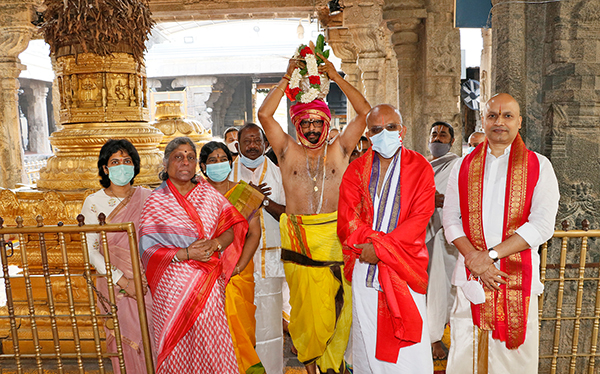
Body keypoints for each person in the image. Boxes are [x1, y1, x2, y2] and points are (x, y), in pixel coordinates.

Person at [257, 51, 371, 374]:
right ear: (296, 124)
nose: (310, 128)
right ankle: (312, 369)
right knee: (307, 315)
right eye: (304, 123)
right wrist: (286, 77)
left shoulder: (340, 150)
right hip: (299, 239)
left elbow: (364, 112)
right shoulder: (286, 151)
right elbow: (265, 115)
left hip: (335, 237)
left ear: (326, 122)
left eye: (317, 122)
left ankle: (332, 367)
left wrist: (336, 77)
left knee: (338, 310)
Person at [443, 93, 560, 373]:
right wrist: (474, 258)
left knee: (513, 360)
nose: (499, 122)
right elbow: (450, 219)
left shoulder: (539, 166)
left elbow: (542, 224)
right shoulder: (462, 166)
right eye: (492, 115)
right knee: (466, 353)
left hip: (516, 277)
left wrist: (491, 257)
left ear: (519, 122)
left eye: (507, 115)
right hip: (471, 276)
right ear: (483, 120)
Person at [338, 104, 435, 373]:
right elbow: (348, 219)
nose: (385, 133)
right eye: (377, 129)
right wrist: (369, 249)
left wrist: (379, 249)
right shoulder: (356, 169)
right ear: (368, 135)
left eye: (391, 127)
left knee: (408, 354)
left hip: (404, 266)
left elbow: (419, 219)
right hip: (364, 265)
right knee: (367, 339)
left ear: (402, 130)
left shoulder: (421, 167)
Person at [139, 137, 248, 373]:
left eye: (190, 157)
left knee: (213, 343)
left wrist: (216, 244)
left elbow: (230, 227)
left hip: (207, 285)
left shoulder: (209, 194)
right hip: (171, 288)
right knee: (177, 346)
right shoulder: (156, 201)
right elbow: (147, 248)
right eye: (178, 157)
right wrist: (185, 253)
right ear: (166, 163)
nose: (185, 162)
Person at [81, 139, 155, 374]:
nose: (121, 166)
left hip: (149, 283)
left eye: (127, 161)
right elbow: (91, 251)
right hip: (115, 286)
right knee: (125, 345)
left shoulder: (148, 197)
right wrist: (124, 281)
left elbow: (160, 241)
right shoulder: (94, 202)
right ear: (105, 168)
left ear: (134, 166)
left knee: (154, 339)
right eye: (115, 162)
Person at [228, 122, 289, 374]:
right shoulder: (227, 175)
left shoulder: (279, 172)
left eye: (257, 141)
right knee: (241, 325)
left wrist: (263, 201)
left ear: (265, 144)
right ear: (237, 146)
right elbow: (220, 219)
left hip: (272, 263)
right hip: (238, 265)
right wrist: (246, 197)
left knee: (272, 328)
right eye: (247, 142)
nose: (252, 146)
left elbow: (289, 214)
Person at [199, 140, 266, 374]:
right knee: (211, 335)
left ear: (231, 162)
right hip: (206, 274)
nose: (218, 164)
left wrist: (238, 266)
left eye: (223, 159)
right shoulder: (196, 197)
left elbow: (254, 234)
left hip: (238, 273)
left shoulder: (245, 193)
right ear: (203, 166)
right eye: (212, 161)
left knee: (241, 330)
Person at [425, 121, 460, 361]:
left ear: (452, 141)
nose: (438, 139)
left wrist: (444, 200)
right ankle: (434, 336)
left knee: (447, 285)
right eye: (434, 135)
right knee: (431, 285)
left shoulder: (457, 164)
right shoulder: (424, 165)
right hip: (424, 229)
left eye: (443, 135)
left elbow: (462, 194)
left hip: (448, 232)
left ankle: (441, 335)